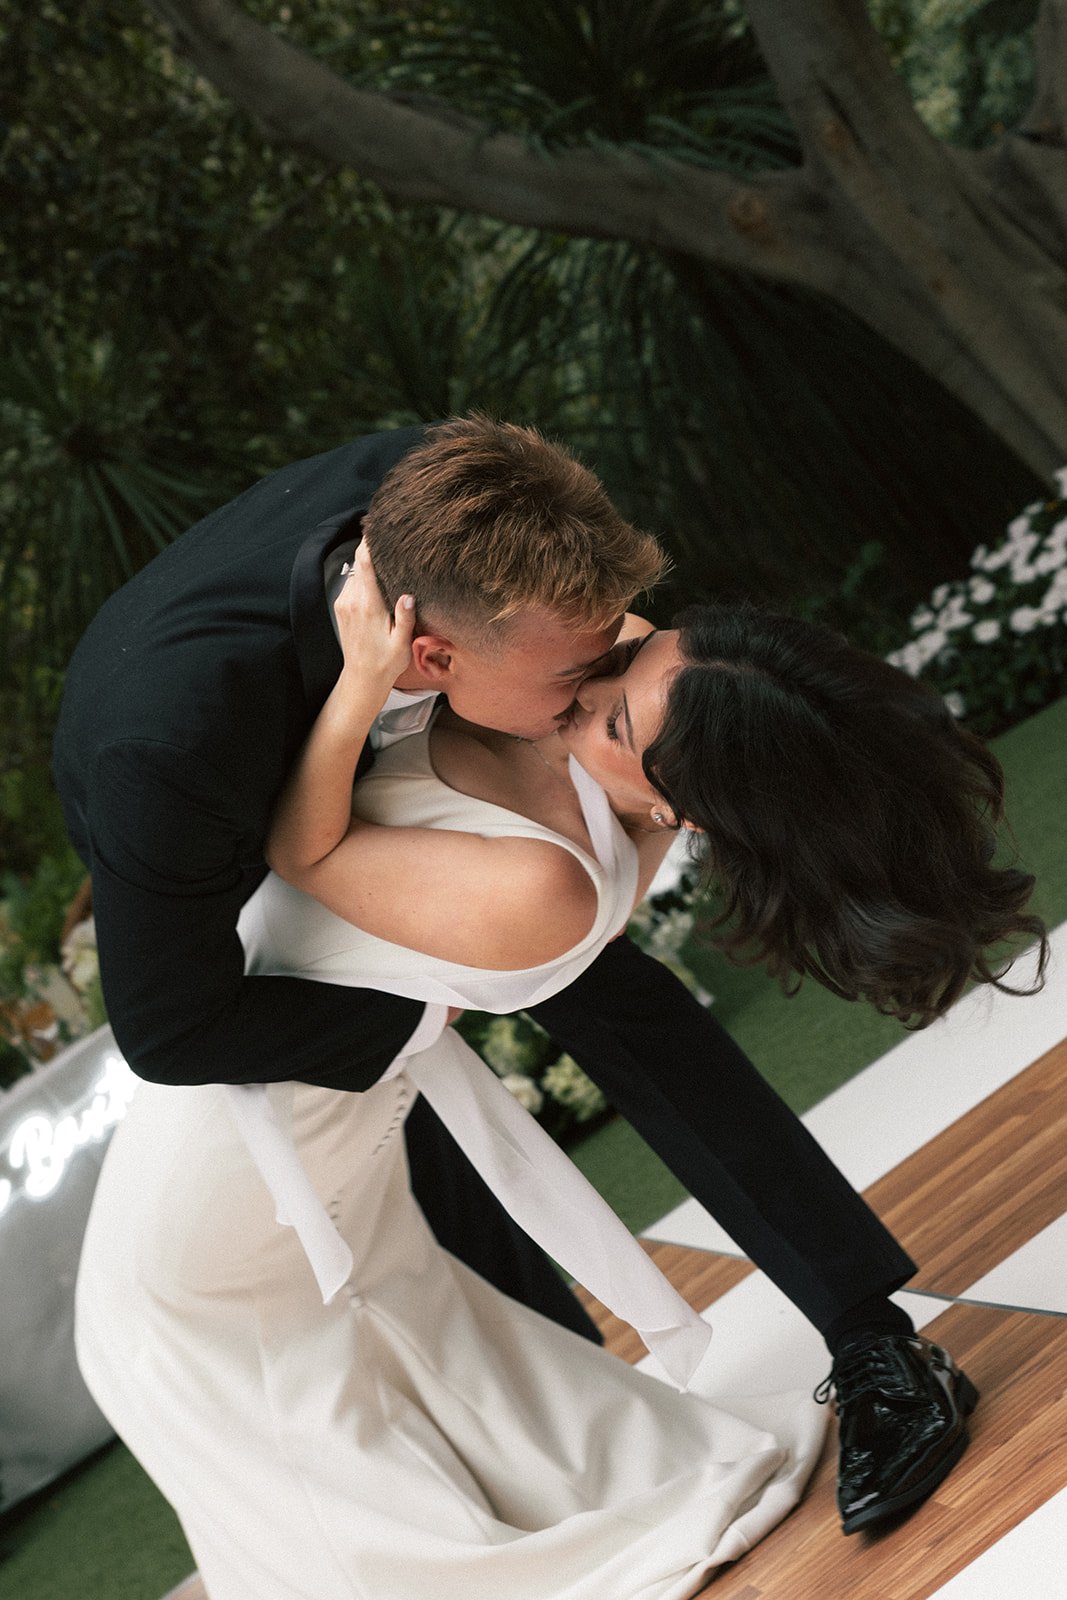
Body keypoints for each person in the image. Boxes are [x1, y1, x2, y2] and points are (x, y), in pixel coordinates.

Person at [53, 416, 993, 1536]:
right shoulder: (169, 752)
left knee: (584, 953)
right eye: (580, 675)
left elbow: (609, 660)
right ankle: (569, 1422)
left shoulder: (461, 504)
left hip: (405, 734)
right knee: (454, 1069)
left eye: (609, 653)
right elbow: (170, 1026)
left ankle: (868, 1336)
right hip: (235, 844)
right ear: (432, 654)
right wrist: (429, 1005)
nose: (609, 666)